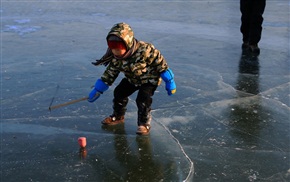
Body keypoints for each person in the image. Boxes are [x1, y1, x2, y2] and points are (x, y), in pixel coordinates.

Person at [88, 22, 176, 135]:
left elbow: (161, 65)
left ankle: (144, 124)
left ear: (128, 44)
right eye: (113, 50)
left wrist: (169, 81)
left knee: (143, 99)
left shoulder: (145, 50)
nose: (116, 54)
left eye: (118, 50)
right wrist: (98, 89)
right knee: (119, 92)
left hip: (149, 79)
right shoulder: (115, 58)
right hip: (132, 79)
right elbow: (110, 73)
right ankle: (118, 116)